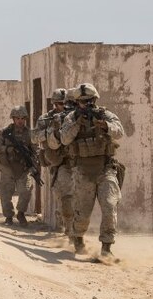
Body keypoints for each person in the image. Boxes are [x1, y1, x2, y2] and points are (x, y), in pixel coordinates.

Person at [59, 83, 125, 258]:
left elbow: (120, 132)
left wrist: (106, 126)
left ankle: (106, 247)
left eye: (89, 101)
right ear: (77, 103)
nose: (86, 105)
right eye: (82, 102)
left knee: (110, 207)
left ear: (95, 100)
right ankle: (78, 238)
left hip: (106, 168)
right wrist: (77, 125)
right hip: (83, 171)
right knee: (83, 212)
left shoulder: (105, 115)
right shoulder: (71, 118)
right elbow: (64, 139)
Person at [33, 88, 75, 237]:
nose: (62, 107)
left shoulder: (75, 115)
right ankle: (68, 229)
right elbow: (34, 137)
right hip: (59, 162)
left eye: (65, 103)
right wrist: (51, 131)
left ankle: (72, 226)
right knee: (64, 195)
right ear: (54, 104)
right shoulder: (46, 119)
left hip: (78, 161)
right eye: (59, 104)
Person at [0, 105, 37, 226]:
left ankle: (21, 213)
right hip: (7, 167)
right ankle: (9, 217)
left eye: (22, 118)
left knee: (26, 191)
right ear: (13, 119)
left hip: (23, 168)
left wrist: (33, 161)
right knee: (5, 193)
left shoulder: (30, 134)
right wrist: (8, 149)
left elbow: (35, 150)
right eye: (18, 118)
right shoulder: (4, 133)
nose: (20, 121)